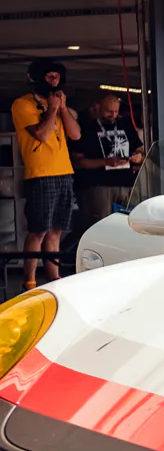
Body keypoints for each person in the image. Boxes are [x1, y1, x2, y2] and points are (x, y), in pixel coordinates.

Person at [11, 59, 80, 288]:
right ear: (37, 78)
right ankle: (29, 281)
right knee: (39, 230)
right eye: (49, 77)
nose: (54, 82)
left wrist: (62, 108)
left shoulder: (58, 105)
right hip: (40, 173)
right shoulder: (22, 105)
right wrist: (51, 109)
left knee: (56, 231)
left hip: (64, 172)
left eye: (57, 77)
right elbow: (40, 134)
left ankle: (54, 278)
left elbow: (75, 134)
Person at [70, 90, 144, 225]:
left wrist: (138, 157)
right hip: (98, 184)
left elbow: (140, 150)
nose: (113, 115)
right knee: (100, 224)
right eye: (109, 111)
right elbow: (78, 162)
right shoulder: (86, 126)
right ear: (97, 106)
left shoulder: (125, 124)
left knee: (128, 224)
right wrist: (105, 162)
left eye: (116, 111)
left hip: (126, 183)